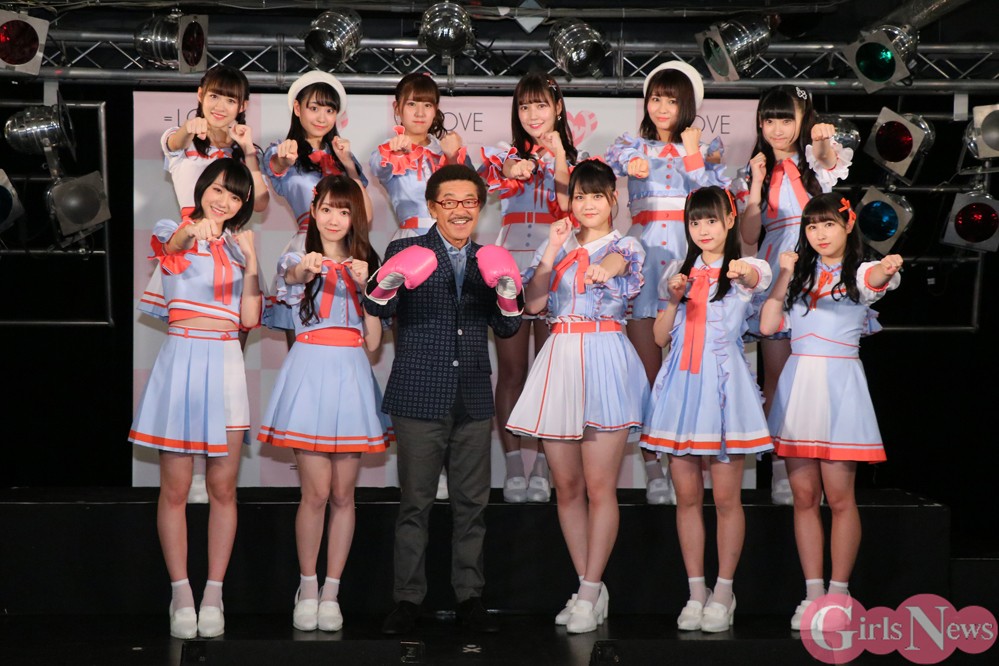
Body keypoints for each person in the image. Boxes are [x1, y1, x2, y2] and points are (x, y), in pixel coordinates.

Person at [363, 164, 523, 635]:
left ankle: (470, 597)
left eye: (468, 202)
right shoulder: (405, 249)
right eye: (448, 202)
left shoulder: (489, 258)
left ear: (480, 208)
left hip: (472, 395)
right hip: (418, 394)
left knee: (472, 505)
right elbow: (376, 306)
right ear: (432, 207)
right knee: (415, 504)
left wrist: (508, 293)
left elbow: (507, 327)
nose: (459, 210)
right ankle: (407, 599)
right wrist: (390, 280)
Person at [507, 160, 649, 634]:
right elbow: (532, 304)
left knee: (599, 486)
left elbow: (616, 264)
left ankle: (588, 592)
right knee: (565, 486)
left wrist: (602, 267)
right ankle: (589, 585)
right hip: (560, 358)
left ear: (613, 200)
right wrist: (551, 248)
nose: (587, 204)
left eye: (596, 196)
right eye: (580, 196)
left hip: (605, 356)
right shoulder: (558, 245)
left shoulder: (626, 244)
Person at [129, 159, 261, 639]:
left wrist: (253, 263)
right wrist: (193, 230)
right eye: (218, 190)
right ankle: (181, 593)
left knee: (224, 489)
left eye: (235, 196)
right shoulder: (173, 227)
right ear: (202, 188)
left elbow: (250, 319)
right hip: (181, 360)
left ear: (243, 205)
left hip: (225, 363)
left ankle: (213, 594)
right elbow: (173, 246)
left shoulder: (241, 247)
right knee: (176, 490)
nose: (223, 201)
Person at [759, 194, 901, 631]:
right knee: (804, 497)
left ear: (848, 225)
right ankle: (812, 593)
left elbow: (874, 279)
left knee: (839, 498)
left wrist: (887, 267)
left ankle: (839, 594)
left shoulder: (858, 271)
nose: (819, 234)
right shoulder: (798, 273)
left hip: (841, 386)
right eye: (812, 226)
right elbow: (767, 326)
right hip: (800, 385)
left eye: (828, 225)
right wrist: (784, 273)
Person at [640, 186, 773, 633]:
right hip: (681, 387)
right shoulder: (677, 274)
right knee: (687, 498)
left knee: (727, 499)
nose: (703, 229)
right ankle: (696, 591)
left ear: (730, 221)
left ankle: (724, 591)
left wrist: (741, 271)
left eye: (711, 219)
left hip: (722, 386)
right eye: (695, 221)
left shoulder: (746, 267)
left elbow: (757, 278)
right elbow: (660, 338)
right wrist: (674, 298)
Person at [257, 176, 387, 632]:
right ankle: (308, 586)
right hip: (309, 371)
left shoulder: (368, 263)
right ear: (314, 212)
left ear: (355, 218)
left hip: (351, 373)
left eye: (344, 211)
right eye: (327, 209)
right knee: (314, 493)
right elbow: (289, 278)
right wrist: (305, 270)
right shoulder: (297, 255)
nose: (334, 219)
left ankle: (332, 591)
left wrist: (367, 290)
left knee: (343, 494)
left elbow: (374, 343)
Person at [140, 64, 270, 505]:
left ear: (242, 106)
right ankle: (186, 465)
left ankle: (212, 462)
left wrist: (248, 152)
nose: (220, 106)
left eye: (230, 99)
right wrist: (187, 129)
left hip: (229, 250)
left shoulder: (243, 151)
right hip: (187, 246)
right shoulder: (184, 142)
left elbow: (260, 201)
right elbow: (172, 142)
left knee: (231, 342)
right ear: (200, 95)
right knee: (187, 344)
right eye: (214, 96)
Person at [605, 61, 729, 505]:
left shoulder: (706, 150)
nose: (661, 107)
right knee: (647, 369)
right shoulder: (631, 145)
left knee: (688, 367)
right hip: (645, 259)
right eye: (655, 98)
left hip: (691, 258)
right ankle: (654, 466)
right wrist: (634, 162)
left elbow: (709, 197)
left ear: (687, 105)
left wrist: (693, 152)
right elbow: (614, 163)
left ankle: (688, 458)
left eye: (672, 100)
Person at [735, 85, 852, 504]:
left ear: (802, 120)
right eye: (770, 120)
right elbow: (749, 236)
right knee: (778, 378)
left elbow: (828, 163)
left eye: (786, 119)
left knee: (817, 374)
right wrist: (755, 184)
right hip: (777, 269)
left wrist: (820, 141)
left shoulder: (813, 161)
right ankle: (784, 468)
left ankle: (822, 466)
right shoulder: (755, 169)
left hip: (816, 268)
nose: (777, 128)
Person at [369, 72, 473, 500]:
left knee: (455, 353)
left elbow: (470, 196)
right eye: (411, 103)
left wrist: (453, 157)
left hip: (454, 251)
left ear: (436, 111)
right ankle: (420, 469)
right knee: (411, 354)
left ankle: (449, 464)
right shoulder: (388, 151)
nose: (419, 111)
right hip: (410, 248)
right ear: (397, 108)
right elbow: (378, 168)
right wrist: (398, 150)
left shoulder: (449, 152)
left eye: (427, 104)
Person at [479, 73, 576, 503]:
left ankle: (543, 465)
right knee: (513, 370)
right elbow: (494, 176)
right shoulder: (506, 153)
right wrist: (513, 167)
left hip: (559, 268)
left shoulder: (577, 159)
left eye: (540, 105)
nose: (533, 114)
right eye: (524, 106)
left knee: (552, 373)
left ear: (558, 108)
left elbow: (569, 204)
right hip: (511, 267)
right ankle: (515, 463)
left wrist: (559, 156)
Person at [261, 71, 373, 340]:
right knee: (302, 336)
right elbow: (276, 166)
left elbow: (365, 216)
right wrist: (284, 160)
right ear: (297, 108)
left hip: (343, 249)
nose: (322, 118)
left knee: (347, 331)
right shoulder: (282, 150)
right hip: (305, 247)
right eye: (314, 108)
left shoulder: (343, 157)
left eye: (329, 110)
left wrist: (348, 166)